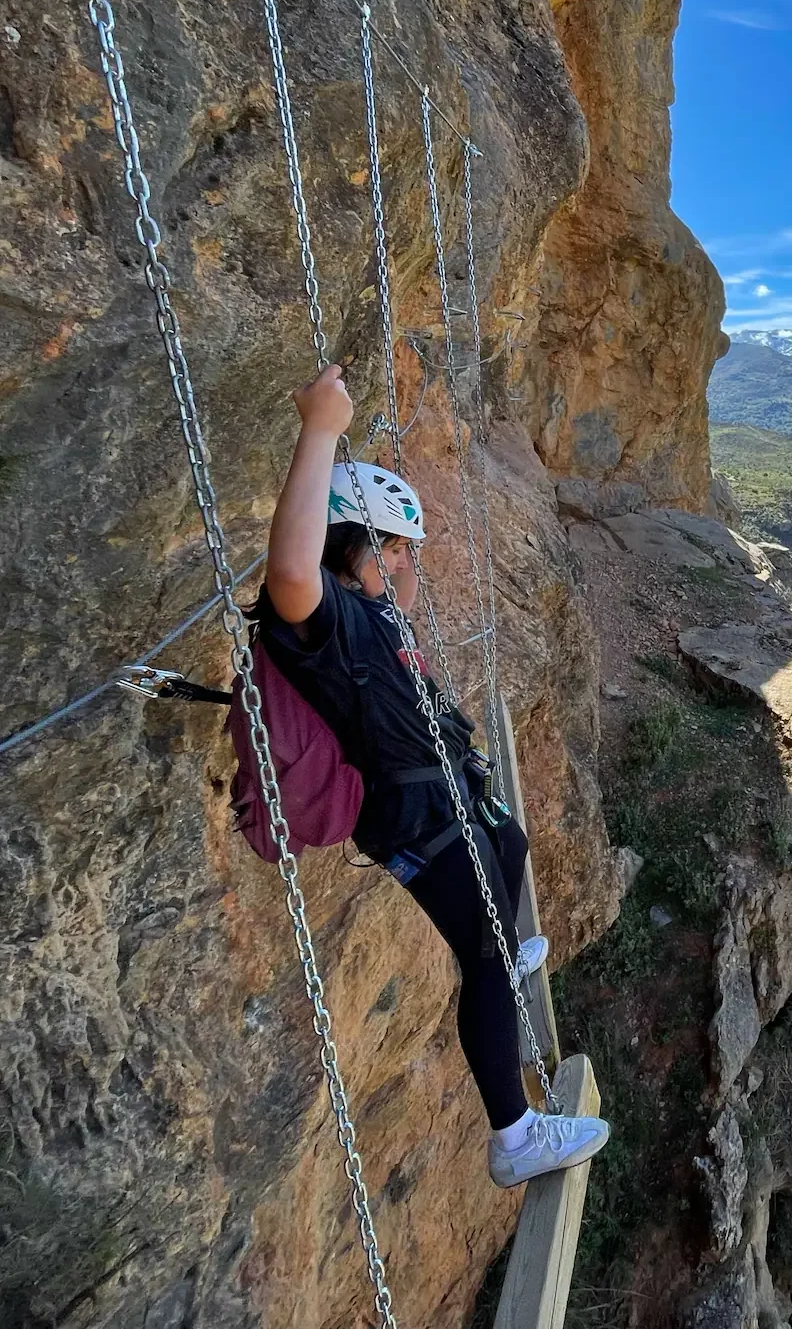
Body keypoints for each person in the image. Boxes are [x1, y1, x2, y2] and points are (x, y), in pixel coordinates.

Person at [259, 363, 609, 1186]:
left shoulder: (365, 612)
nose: (406, 568)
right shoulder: (318, 615)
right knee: (485, 958)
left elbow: (382, 624)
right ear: (354, 545)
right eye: (395, 552)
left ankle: (508, 959)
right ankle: (516, 1136)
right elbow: (291, 574)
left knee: (511, 842)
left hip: (443, 793)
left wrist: (399, 574)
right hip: (414, 815)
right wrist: (321, 432)